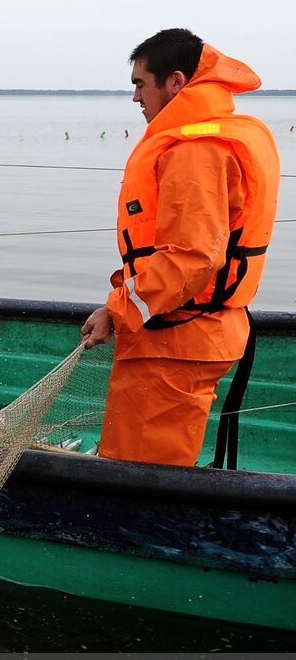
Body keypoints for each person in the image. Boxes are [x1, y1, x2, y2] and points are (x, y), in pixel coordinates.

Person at [81, 29, 280, 466]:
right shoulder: (228, 131)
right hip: (195, 331)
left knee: (139, 472)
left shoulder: (195, 147)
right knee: (147, 460)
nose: (135, 97)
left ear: (175, 81)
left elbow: (194, 256)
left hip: (177, 342)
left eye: (140, 84)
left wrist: (117, 309)